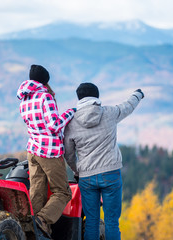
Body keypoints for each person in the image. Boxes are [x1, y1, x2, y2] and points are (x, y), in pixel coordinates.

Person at [64, 83, 144, 240]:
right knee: (112, 222)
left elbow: (69, 153)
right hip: (110, 174)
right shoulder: (109, 113)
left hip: (86, 177)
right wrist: (138, 94)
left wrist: (76, 170)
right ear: (97, 96)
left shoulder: (71, 123)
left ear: (79, 98)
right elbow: (128, 106)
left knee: (92, 222)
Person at [17, 64, 75, 237]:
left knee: (37, 190)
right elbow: (54, 124)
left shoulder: (24, 99)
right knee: (63, 192)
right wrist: (71, 112)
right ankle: (43, 220)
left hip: (33, 149)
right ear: (45, 80)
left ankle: (30, 227)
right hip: (49, 150)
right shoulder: (45, 97)